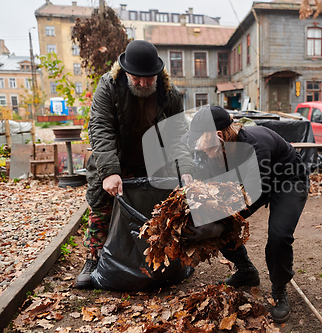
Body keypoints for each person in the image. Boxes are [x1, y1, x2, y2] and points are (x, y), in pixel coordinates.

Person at [77, 40, 195, 289]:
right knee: (102, 206)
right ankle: (94, 259)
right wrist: (110, 172)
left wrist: (185, 169)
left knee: (153, 212)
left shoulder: (170, 93)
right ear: (125, 71)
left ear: (157, 73)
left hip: (150, 162)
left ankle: (156, 261)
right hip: (113, 158)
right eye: (136, 78)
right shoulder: (109, 87)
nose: (143, 83)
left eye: (148, 78)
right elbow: (101, 129)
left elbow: (178, 136)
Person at [186, 105, 309, 323]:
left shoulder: (256, 145)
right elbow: (220, 186)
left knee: (279, 236)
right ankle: (246, 271)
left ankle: (279, 288)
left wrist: (225, 211)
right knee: (219, 221)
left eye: (201, 141)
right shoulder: (216, 150)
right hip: (257, 185)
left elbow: (255, 193)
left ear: (218, 135)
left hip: (288, 182)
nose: (199, 147)